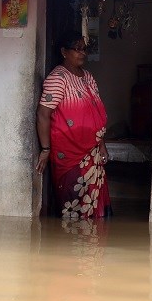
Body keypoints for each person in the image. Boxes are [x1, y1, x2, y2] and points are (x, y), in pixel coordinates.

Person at [35, 34, 110, 219]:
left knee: (93, 203)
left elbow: (96, 113)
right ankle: (69, 242)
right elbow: (43, 114)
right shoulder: (58, 78)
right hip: (69, 153)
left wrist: (102, 145)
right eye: (77, 48)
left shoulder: (88, 77)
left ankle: (93, 243)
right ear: (64, 52)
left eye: (84, 48)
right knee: (73, 201)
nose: (82, 52)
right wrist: (45, 149)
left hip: (91, 152)